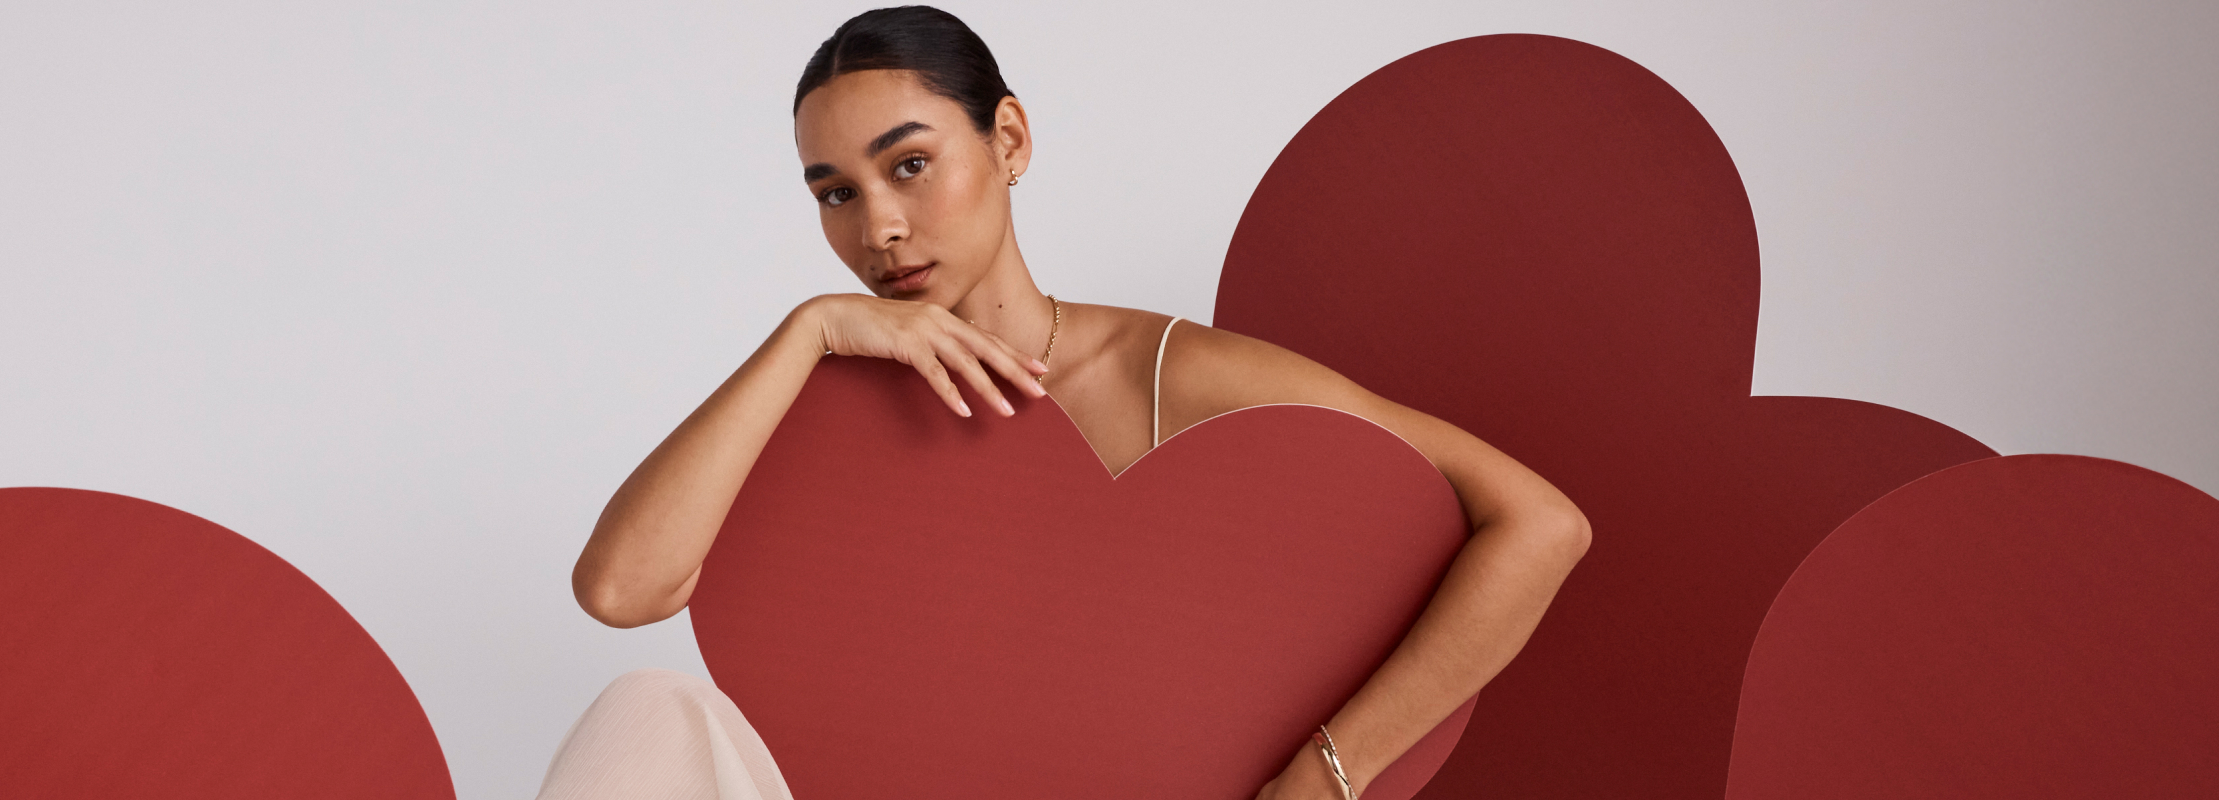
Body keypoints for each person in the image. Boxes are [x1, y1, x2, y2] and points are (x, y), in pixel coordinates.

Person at [546, 7, 1590, 800]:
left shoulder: (1168, 373)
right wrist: (809, 330)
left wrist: (1325, 774)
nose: (882, 229)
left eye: (910, 164)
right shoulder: (824, 408)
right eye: (836, 193)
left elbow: (1538, 522)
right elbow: (623, 589)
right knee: (649, 703)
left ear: (1007, 140)